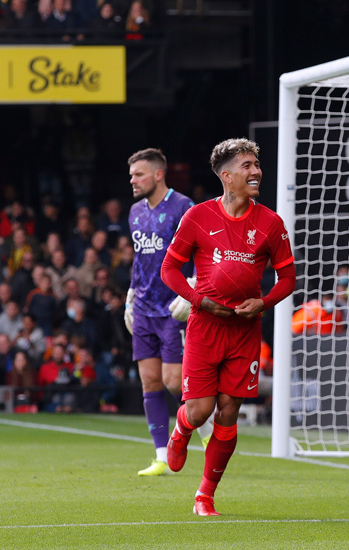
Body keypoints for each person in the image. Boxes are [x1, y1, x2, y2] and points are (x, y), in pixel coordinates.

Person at [160, 138, 296, 516]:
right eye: (248, 166)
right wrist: (197, 300)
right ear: (227, 176)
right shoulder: (198, 217)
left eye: (257, 164)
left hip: (244, 331)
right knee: (200, 410)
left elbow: (288, 278)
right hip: (205, 326)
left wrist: (264, 302)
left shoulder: (270, 222)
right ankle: (182, 429)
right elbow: (169, 270)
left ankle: (205, 496)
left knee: (228, 411)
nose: (256, 171)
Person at [122, 148, 211, 476]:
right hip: (144, 308)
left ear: (159, 174)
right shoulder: (134, 212)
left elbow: (204, 252)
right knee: (149, 380)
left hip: (174, 308)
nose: (133, 180)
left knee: (175, 382)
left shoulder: (184, 207)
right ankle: (160, 456)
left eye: (139, 174)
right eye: (131, 175)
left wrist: (193, 286)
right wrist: (130, 296)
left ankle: (207, 429)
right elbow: (140, 257)